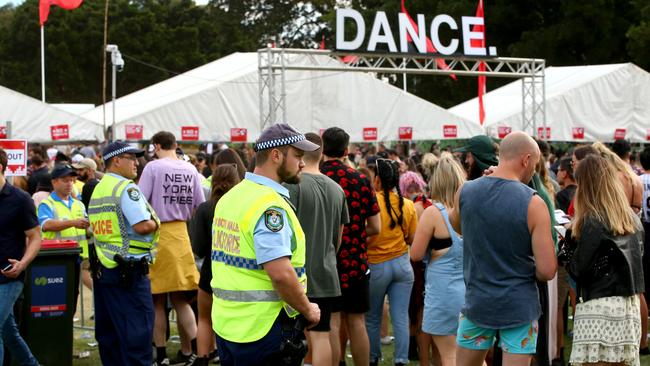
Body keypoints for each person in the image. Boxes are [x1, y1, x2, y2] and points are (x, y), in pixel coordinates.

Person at [210, 123, 321, 365]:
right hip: (263, 329)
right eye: (298, 156)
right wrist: (307, 309)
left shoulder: (230, 197)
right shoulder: (269, 206)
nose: (303, 163)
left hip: (228, 324)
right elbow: (280, 273)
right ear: (276, 155)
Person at [449, 131, 557, 366]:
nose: (534, 171)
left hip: (477, 302)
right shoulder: (534, 203)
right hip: (519, 305)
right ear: (526, 159)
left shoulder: (465, 191)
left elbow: (458, 226)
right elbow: (547, 270)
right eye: (535, 164)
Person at [561, 155, 644, 365]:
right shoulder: (631, 218)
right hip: (628, 306)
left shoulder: (593, 220)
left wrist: (567, 246)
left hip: (599, 305)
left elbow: (579, 268)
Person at [88, 141, 160, 366]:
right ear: (116, 160)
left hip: (105, 270)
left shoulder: (99, 188)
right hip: (129, 274)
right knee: (137, 338)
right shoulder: (126, 189)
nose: (136, 163)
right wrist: (155, 223)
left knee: (111, 339)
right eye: (131, 158)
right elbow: (141, 226)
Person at [138, 131, 206, 365]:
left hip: (157, 234)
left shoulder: (153, 168)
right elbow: (199, 205)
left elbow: (140, 201)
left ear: (156, 146)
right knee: (181, 299)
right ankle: (198, 350)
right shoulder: (191, 170)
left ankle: (161, 355)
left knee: (157, 300)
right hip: (181, 235)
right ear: (175, 145)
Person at [285, 132, 349, 366]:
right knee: (322, 334)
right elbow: (338, 239)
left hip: (297, 274)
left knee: (298, 336)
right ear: (322, 153)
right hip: (326, 271)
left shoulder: (292, 186)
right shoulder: (337, 189)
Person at [321, 127, 381, 366]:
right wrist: (353, 232)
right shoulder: (360, 179)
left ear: (323, 148)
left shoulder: (314, 179)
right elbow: (375, 227)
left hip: (326, 261)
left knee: (332, 324)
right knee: (357, 323)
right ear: (346, 150)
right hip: (356, 261)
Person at [411, 152, 466, 366]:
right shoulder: (470, 210)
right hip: (470, 290)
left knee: (449, 355)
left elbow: (415, 254)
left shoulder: (433, 213)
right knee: (473, 355)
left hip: (443, 293)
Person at [366, 158, 417, 366]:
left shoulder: (371, 202)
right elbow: (412, 239)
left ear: (377, 179)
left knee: (372, 318)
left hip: (376, 265)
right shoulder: (408, 205)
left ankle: (372, 358)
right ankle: (401, 360)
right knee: (401, 317)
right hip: (402, 266)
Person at [189, 164, 241, 365]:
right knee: (233, 321)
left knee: (204, 319)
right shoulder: (240, 206)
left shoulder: (205, 208)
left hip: (210, 270)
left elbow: (199, 248)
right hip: (236, 271)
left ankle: (202, 359)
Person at [0, 148, 40, 366]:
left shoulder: (20, 199)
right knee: (8, 332)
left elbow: (35, 237)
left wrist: (23, 263)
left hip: (9, 275)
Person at [37, 164, 92, 303]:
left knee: (73, 296)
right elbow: (46, 225)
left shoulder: (78, 204)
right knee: (57, 298)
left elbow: (87, 229)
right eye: (65, 180)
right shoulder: (47, 204)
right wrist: (73, 222)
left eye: (71, 180)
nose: (70, 184)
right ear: (54, 182)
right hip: (56, 258)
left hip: (77, 257)